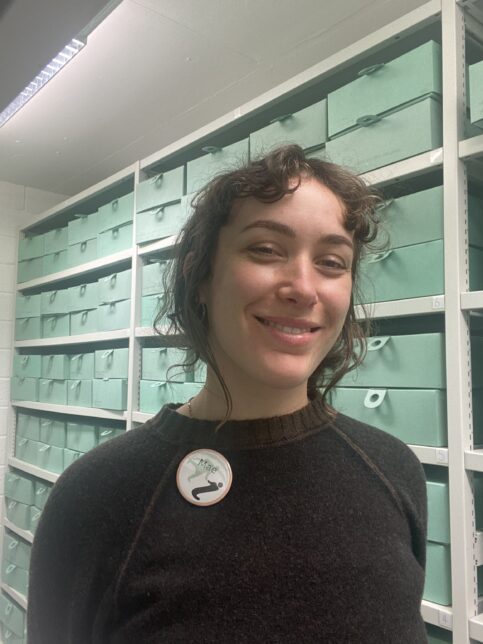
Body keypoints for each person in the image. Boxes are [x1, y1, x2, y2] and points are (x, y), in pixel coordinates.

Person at [27, 145, 427, 643]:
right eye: (265, 249)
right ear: (201, 276)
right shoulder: (96, 497)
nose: (304, 288)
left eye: (331, 261)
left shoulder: (393, 470)